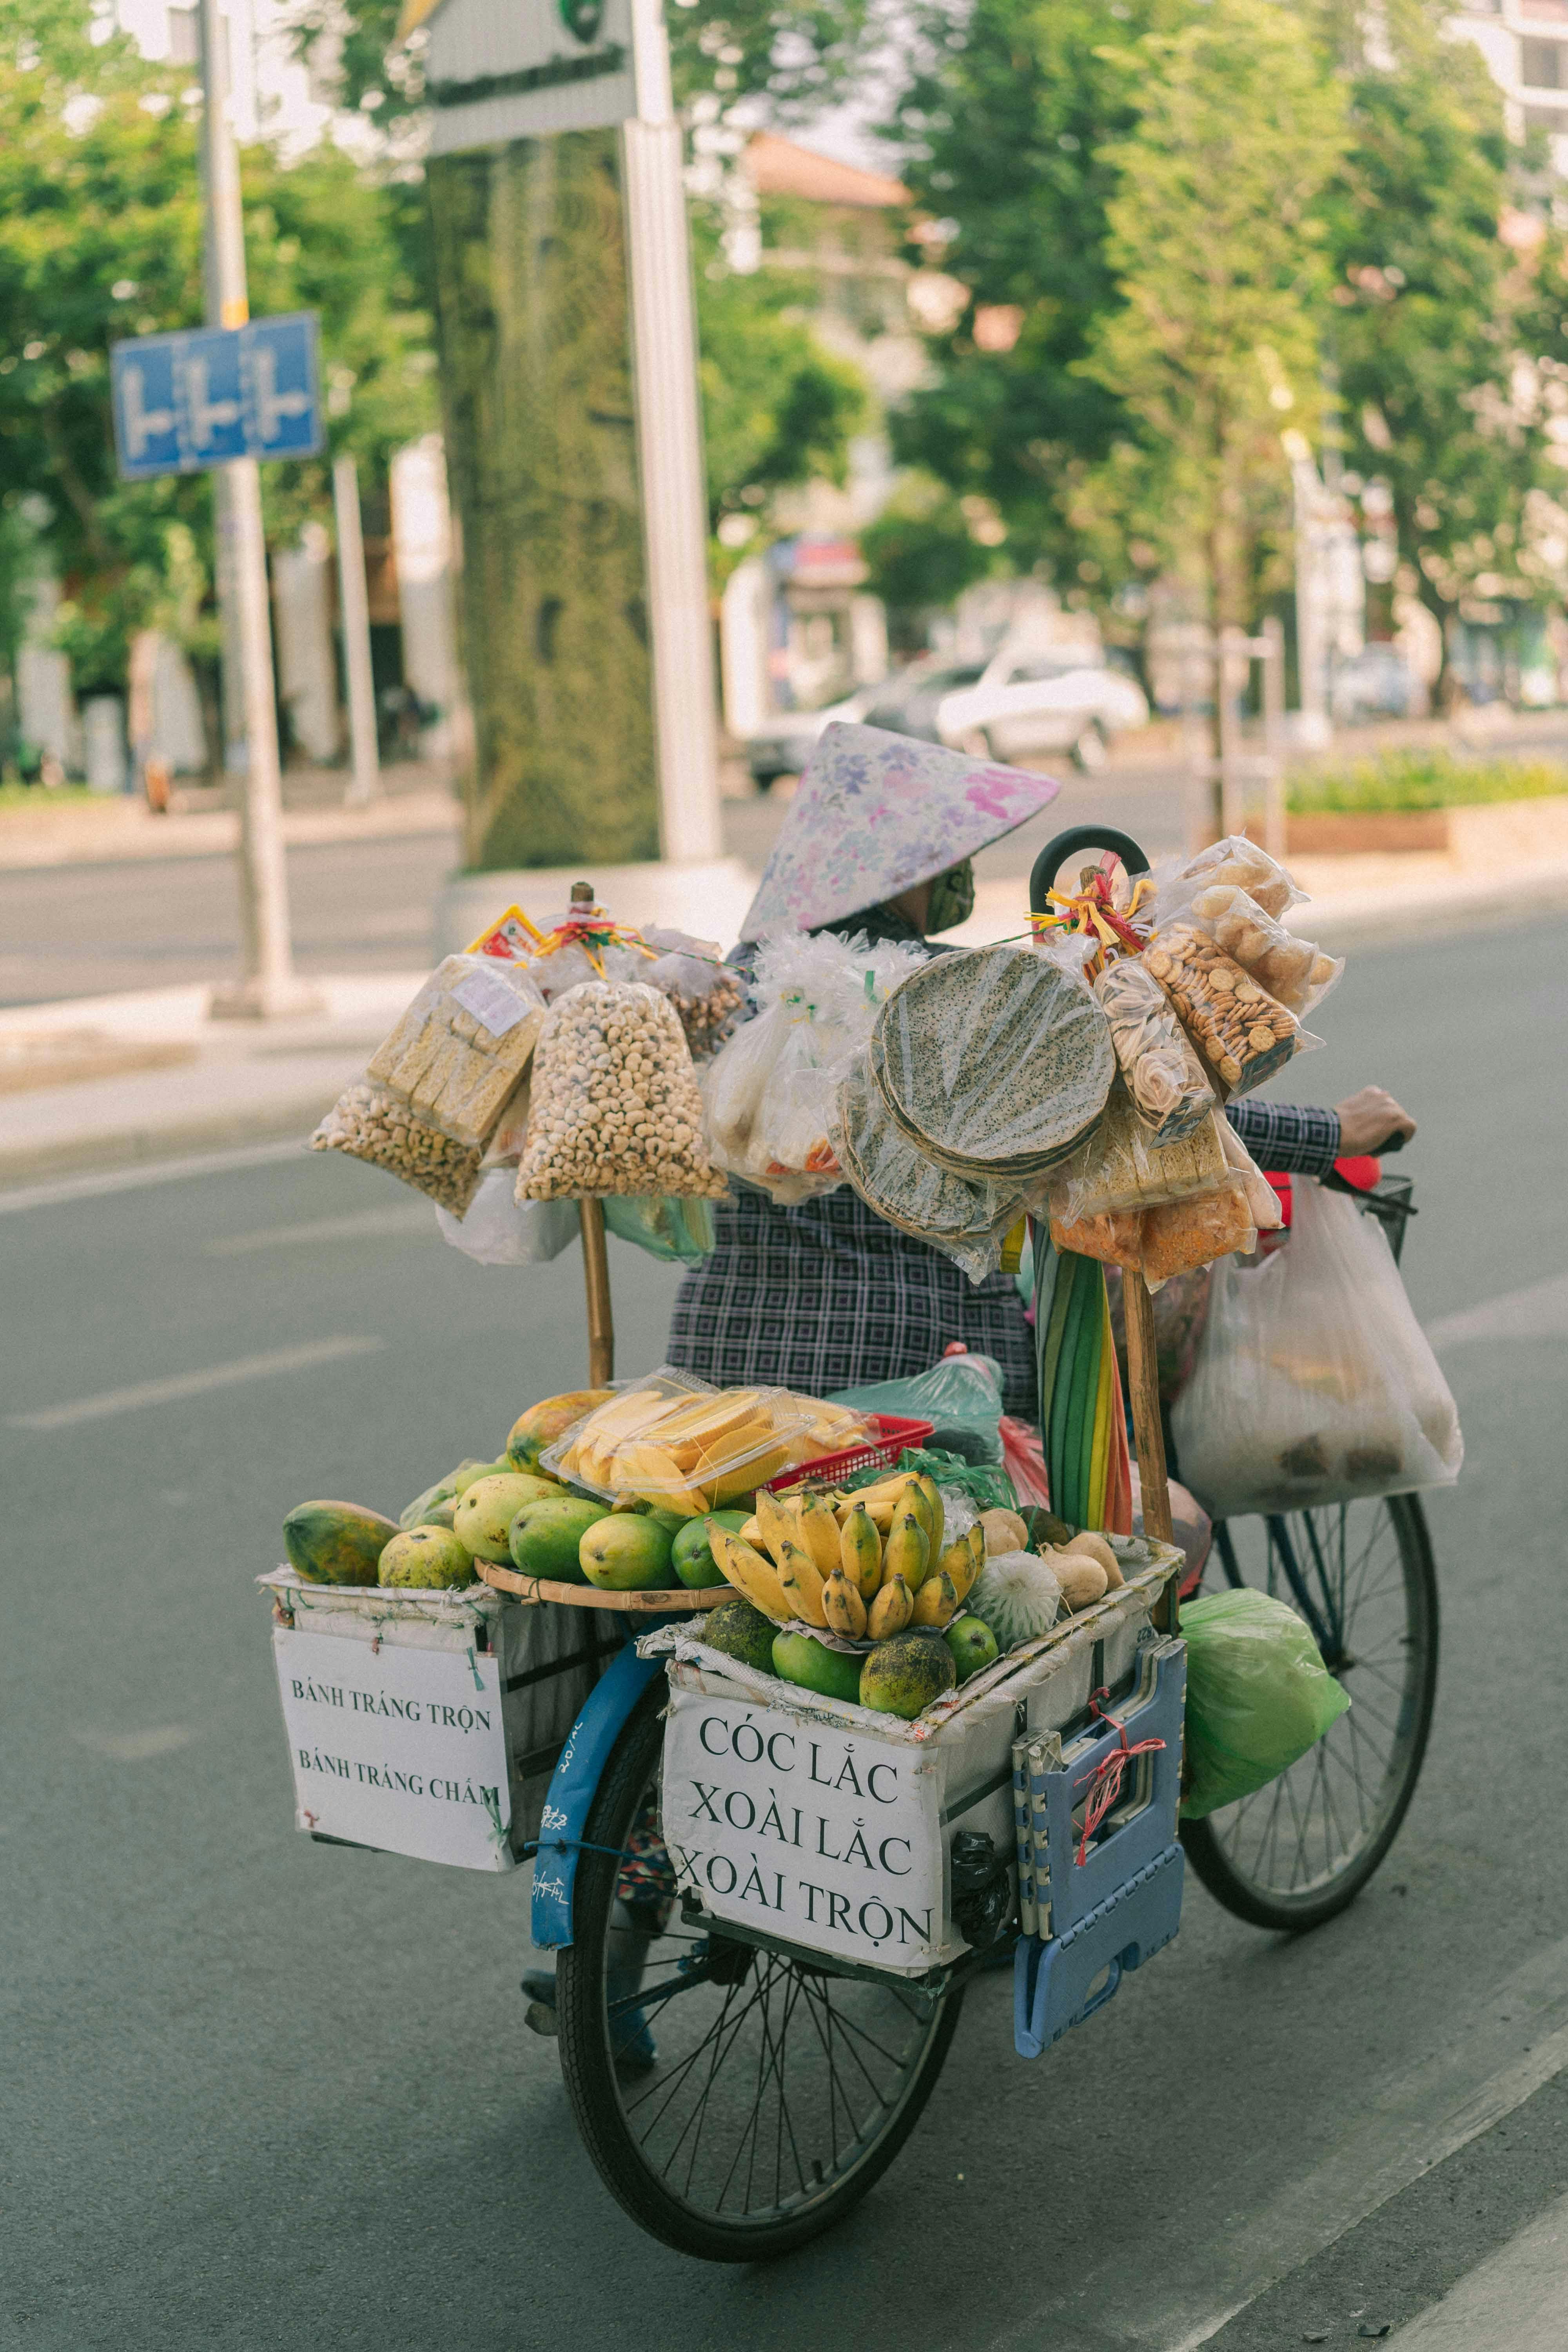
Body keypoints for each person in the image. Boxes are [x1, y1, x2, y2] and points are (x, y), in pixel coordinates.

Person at [666, 724, 1063, 1416]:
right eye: (951, 857)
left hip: (721, 1365)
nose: (960, 874)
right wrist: (1317, 1137)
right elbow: (1119, 1106)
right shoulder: (940, 990)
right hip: (916, 1369)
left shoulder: (726, 988)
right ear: (902, 868)